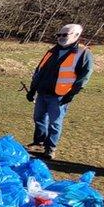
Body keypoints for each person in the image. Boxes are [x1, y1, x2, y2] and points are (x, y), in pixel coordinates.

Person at [26, 23, 94, 160]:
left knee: (55, 122)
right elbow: (39, 71)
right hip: (43, 91)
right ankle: (39, 142)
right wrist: (32, 89)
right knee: (38, 118)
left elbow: (84, 76)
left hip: (60, 95)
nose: (61, 37)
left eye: (65, 35)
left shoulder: (83, 53)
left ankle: (50, 148)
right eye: (59, 35)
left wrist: (71, 94)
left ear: (76, 36)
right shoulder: (52, 51)